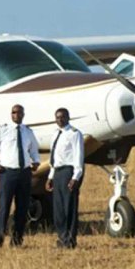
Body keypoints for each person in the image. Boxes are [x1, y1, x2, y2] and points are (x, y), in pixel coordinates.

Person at [0, 104, 40, 248]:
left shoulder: (28, 132)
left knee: (22, 208)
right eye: (14, 112)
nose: (17, 115)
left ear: (23, 114)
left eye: (19, 113)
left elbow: (34, 149)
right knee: (4, 207)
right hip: (8, 173)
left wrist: (36, 161)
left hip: (25, 173)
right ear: (11, 114)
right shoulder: (3, 130)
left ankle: (17, 241)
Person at [46, 107, 84, 249]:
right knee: (58, 210)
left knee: (69, 208)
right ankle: (61, 238)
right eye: (57, 117)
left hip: (69, 172)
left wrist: (75, 177)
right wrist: (50, 177)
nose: (60, 120)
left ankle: (70, 239)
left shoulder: (74, 134)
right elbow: (54, 158)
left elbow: (78, 158)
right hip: (57, 173)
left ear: (68, 117)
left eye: (62, 117)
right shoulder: (56, 134)